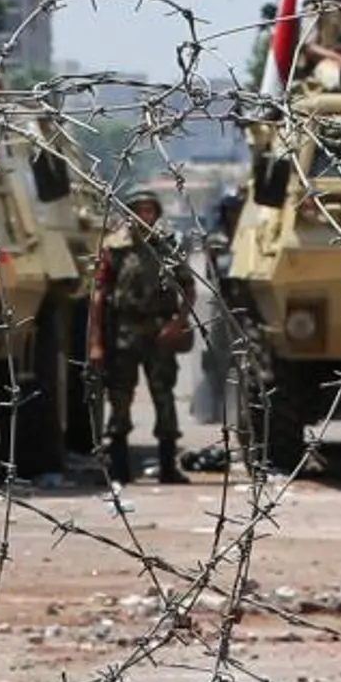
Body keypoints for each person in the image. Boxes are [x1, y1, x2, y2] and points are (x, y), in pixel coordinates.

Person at [87, 187, 195, 485]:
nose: (144, 216)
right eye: (139, 210)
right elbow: (99, 295)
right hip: (124, 332)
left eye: (149, 210)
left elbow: (189, 288)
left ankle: (167, 465)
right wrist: (95, 342)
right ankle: (119, 467)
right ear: (130, 215)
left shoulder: (167, 248)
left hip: (159, 332)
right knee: (119, 397)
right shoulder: (115, 249)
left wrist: (178, 324)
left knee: (164, 397)